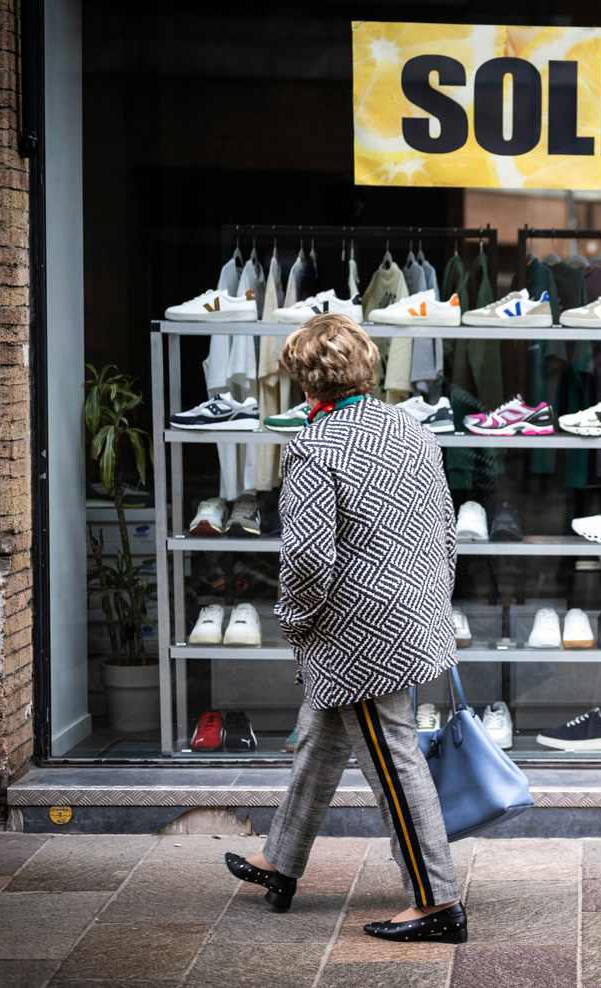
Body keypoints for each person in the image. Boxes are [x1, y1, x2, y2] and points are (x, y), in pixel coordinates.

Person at [222, 313, 465, 944]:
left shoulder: (312, 446)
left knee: (393, 762)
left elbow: (307, 558)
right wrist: (431, 600)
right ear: (368, 364)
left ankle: (437, 901)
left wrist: (295, 619)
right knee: (321, 737)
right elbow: (446, 530)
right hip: (411, 616)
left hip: (354, 634)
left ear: (303, 381)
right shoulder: (410, 430)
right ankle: (280, 861)